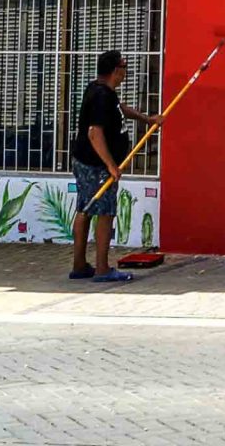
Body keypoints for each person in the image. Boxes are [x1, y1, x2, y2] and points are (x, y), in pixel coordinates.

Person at [69, 50, 161, 281]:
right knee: (104, 212)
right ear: (115, 71)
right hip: (95, 166)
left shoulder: (103, 92)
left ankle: (80, 265)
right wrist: (111, 165)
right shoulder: (101, 96)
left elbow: (122, 110)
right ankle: (101, 269)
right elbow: (94, 133)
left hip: (88, 162)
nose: (126, 71)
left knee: (85, 209)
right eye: (124, 66)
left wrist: (148, 120)